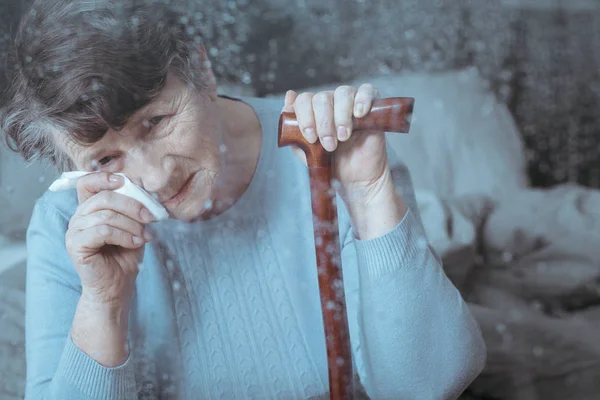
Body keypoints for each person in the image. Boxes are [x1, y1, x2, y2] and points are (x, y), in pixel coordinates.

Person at [1, 0, 486, 399]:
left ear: (203, 71)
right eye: (105, 160)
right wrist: (104, 303)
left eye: (156, 122)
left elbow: (428, 387)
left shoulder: (326, 155)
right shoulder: (67, 225)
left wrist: (368, 193)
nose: (156, 176)